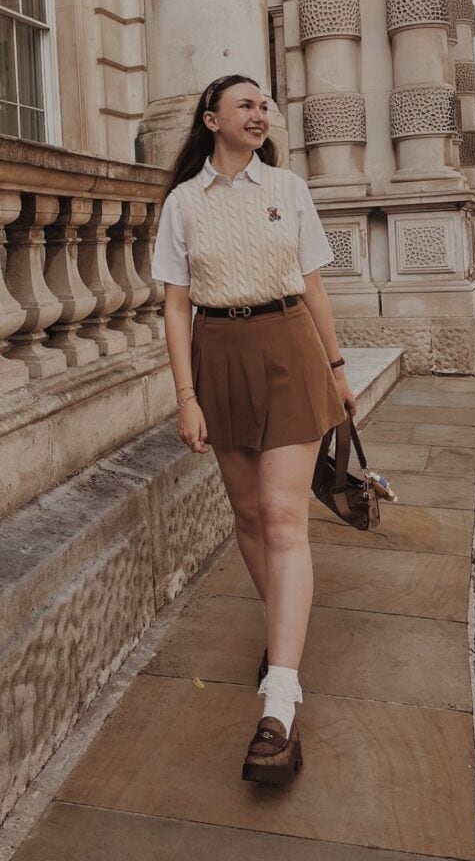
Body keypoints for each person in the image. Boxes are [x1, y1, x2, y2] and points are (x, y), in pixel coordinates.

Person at [151, 74, 356, 784]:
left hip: (289, 344)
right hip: (219, 354)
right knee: (246, 515)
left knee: (281, 515)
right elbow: (175, 305)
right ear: (211, 119)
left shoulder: (288, 188)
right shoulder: (182, 202)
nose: (259, 113)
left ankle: (279, 703)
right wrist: (185, 396)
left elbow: (314, 285)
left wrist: (337, 368)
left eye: (263, 104)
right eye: (245, 104)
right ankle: (284, 631)